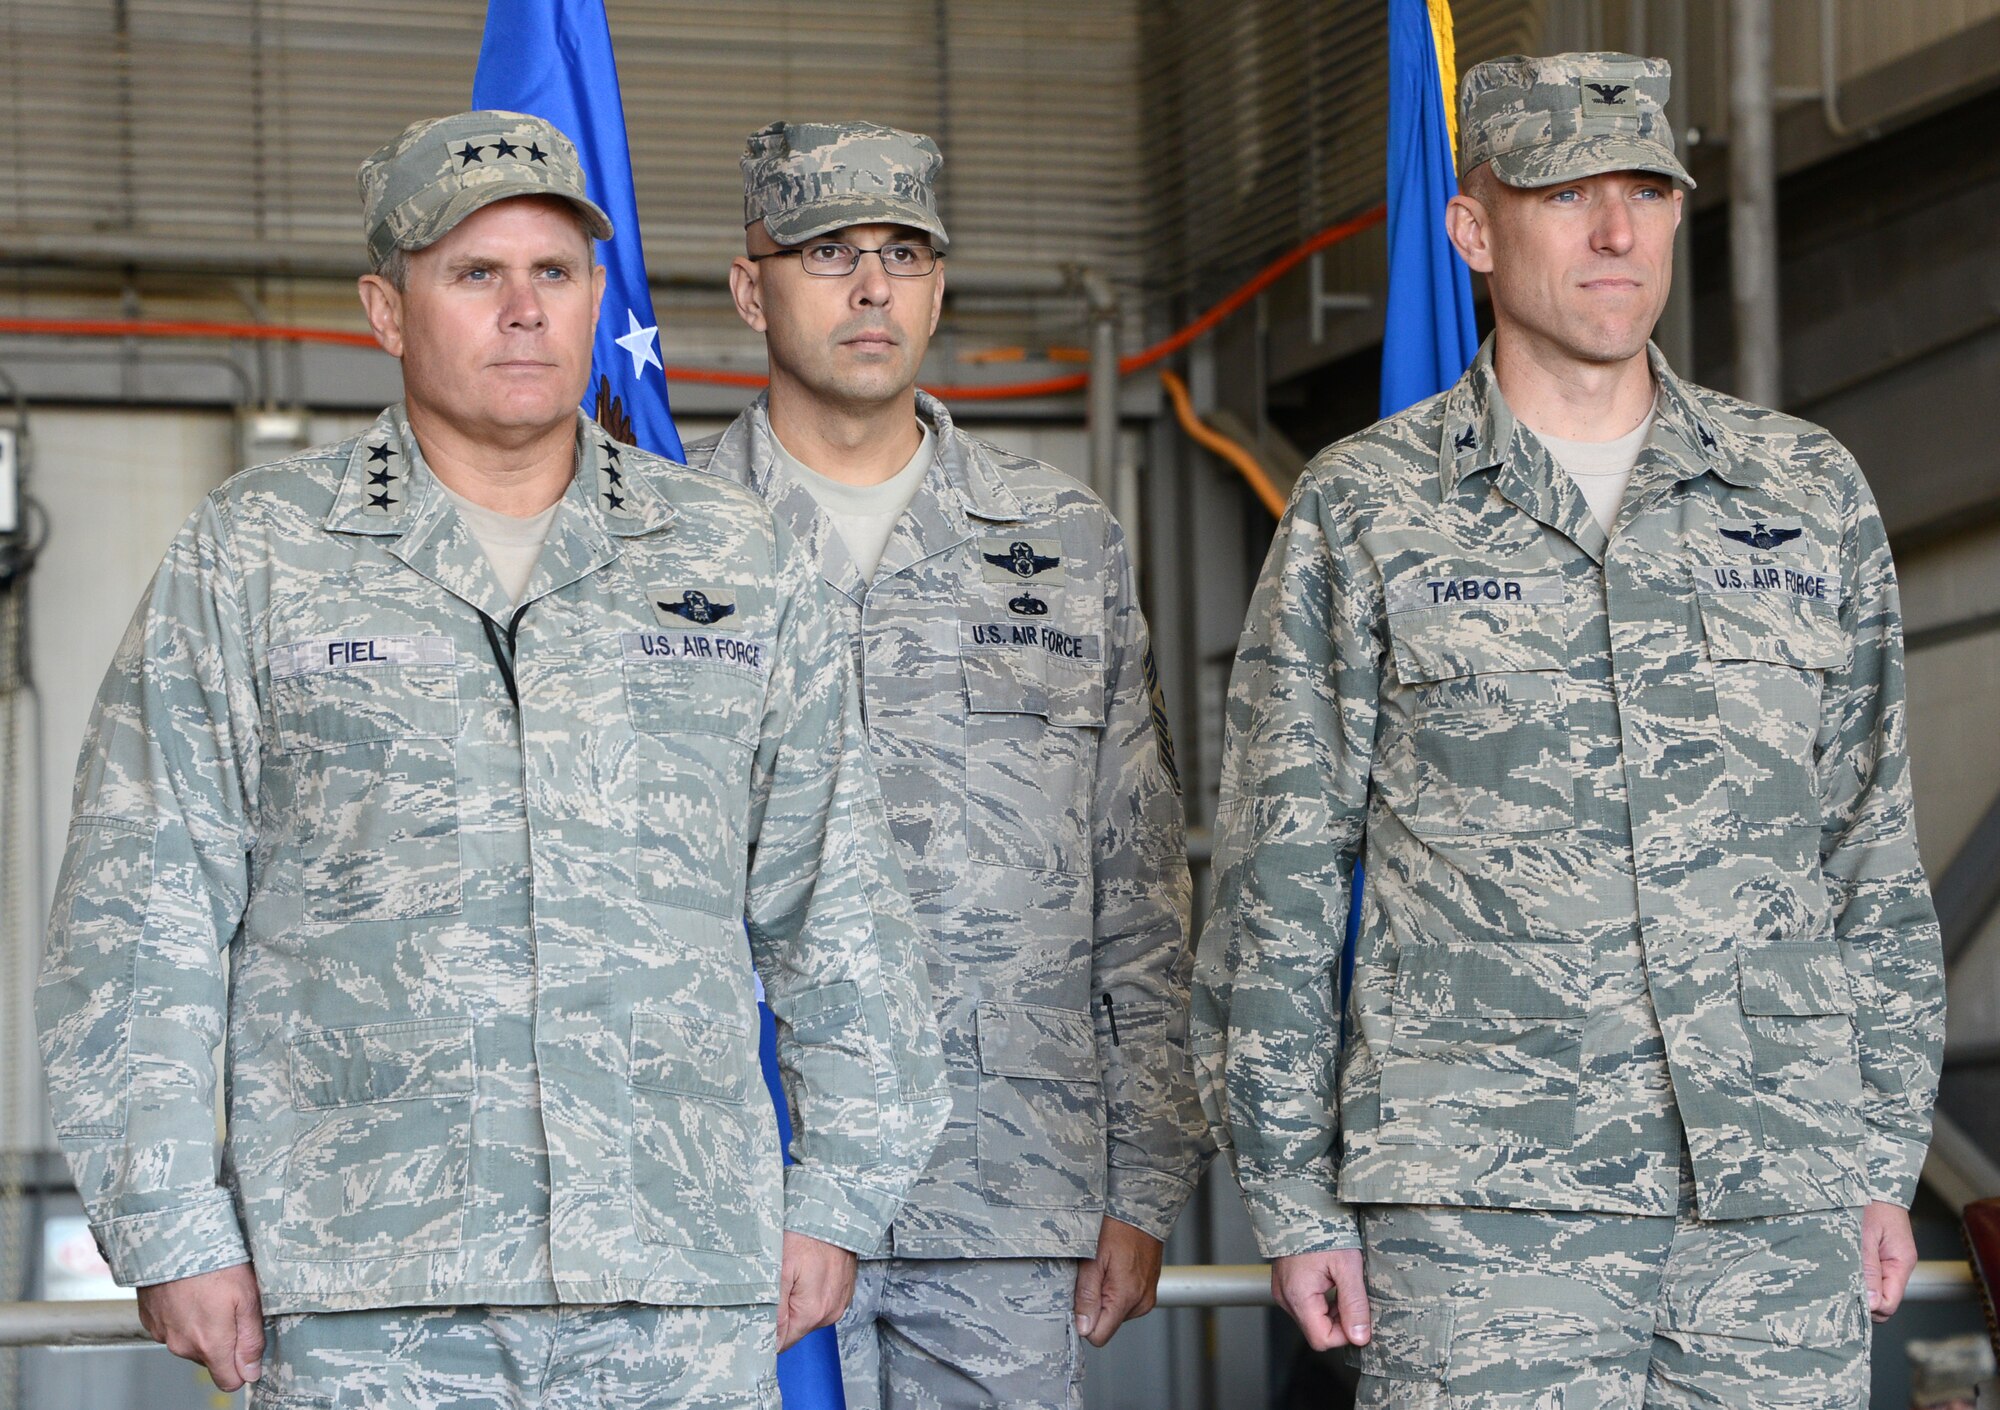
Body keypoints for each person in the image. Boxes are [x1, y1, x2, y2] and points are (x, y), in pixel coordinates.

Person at [35, 110, 948, 1408]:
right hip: (365, 1291)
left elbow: (836, 898)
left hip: (677, 1284)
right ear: (385, 310)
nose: (524, 311)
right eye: (475, 274)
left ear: (595, 300)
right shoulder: (257, 557)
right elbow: (143, 909)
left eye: (556, 274)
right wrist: (172, 1223)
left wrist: (845, 1191)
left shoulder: (734, 562)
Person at [1192, 52, 1944, 1406]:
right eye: (1565, 193)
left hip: (1774, 1204)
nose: (1617, 233)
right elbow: (1281, 874)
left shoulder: (1804, 491)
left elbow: (1869, 855)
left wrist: (1882, 1158)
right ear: (1473, 229)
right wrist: (1293, 1191)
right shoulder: (1368, 507)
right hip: (1486, 1214)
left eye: (1648, 190)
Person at [686, 120, 1204, 1410]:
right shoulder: (661, 545)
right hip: (745, 1179)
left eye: (905, 254)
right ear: (751, 288)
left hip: (1006, 1184)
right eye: (829, 254)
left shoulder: (1062, 540)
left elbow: (1135, 883)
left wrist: (1144, 1181)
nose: (873, 290)